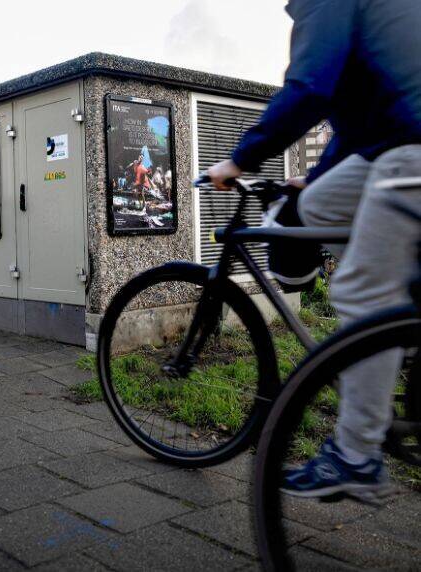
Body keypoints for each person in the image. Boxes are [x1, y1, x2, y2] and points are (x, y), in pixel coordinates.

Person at [208, 0, 421, 498]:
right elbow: (354, 129)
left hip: (411, 151)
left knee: (362, 295)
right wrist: (314, 180)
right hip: (391, 144)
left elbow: (308, 87)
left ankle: (355, 457)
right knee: (318, 200)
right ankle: (397, 324)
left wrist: (237, 160)